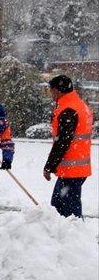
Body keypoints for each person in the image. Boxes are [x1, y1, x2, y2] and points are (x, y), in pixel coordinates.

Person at [43, 75, 92, 218]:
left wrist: (49, 166)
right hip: (77, 167)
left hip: (72, 169)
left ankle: (74, 238)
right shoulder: (80, 105)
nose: (51, 95)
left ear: (58, 91)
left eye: (51, 91)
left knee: (69, 213)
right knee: (58, 207)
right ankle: (65, 237)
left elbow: (62, 142)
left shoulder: (68, 110)